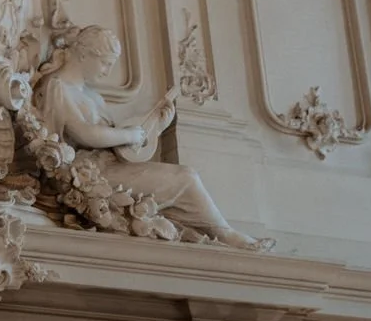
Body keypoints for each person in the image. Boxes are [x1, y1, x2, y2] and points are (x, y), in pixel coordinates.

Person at [35, 24, 268, 249]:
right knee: (185, 177)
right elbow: (84, 133)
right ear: (86, 55)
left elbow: (119, 147)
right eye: (105, 64)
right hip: (92, 175)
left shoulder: (93, 96)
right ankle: (225, 234)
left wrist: (156, 126)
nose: (106, 71)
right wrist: (128, 134)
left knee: (184, 177)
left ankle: (218, 233)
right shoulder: (58, 86)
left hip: (110, 167)